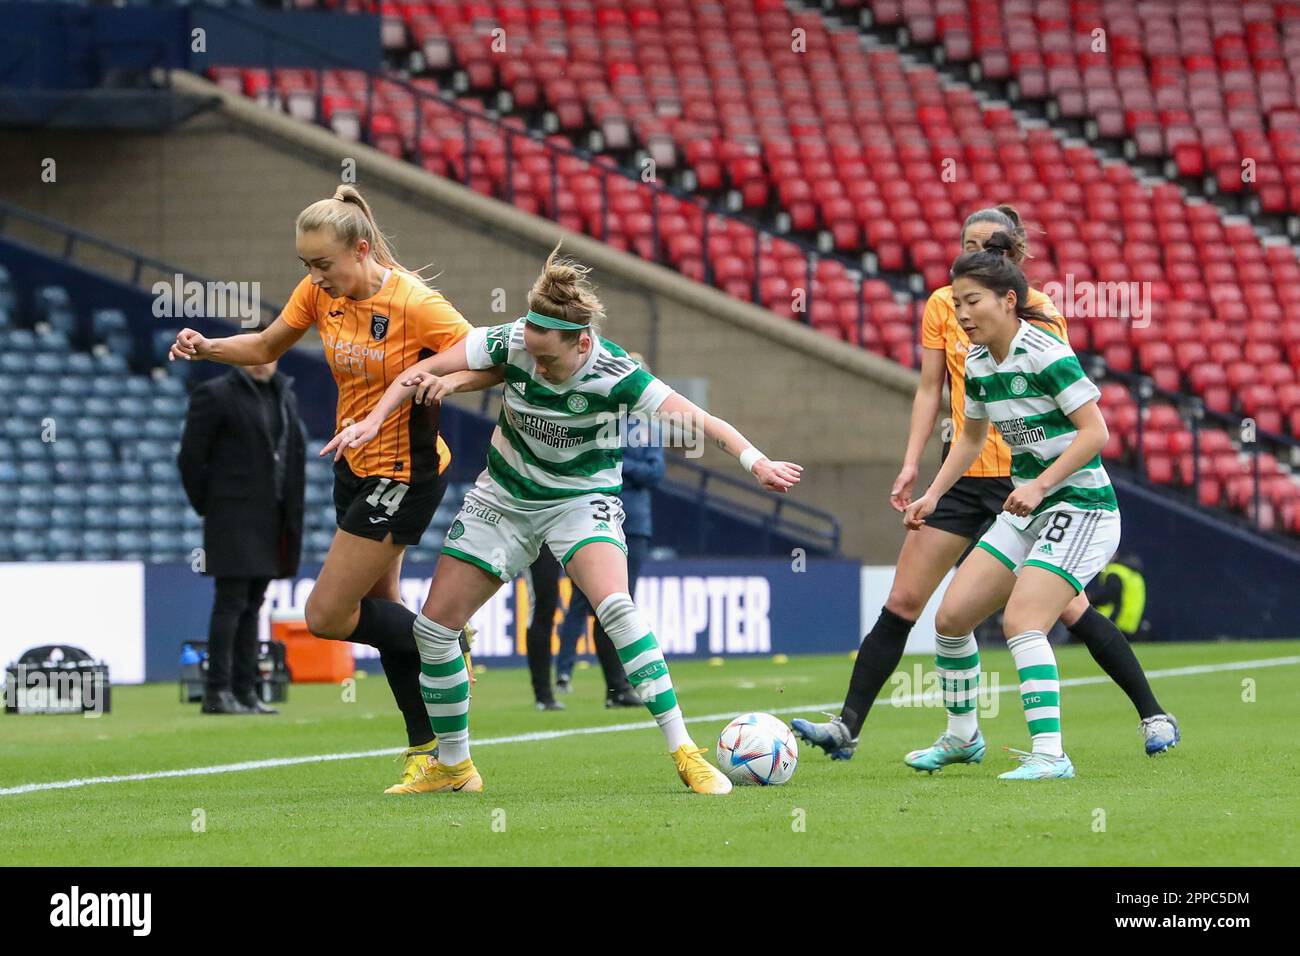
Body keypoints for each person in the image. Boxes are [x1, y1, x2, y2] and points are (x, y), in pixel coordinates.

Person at [324, 242, 803, 795]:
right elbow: (421, 371)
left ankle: (685, 751)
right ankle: (455, 769)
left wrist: (756, 461)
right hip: (503, 499)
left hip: (579, 501)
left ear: (582, 342)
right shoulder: (514, 340)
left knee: (617, 608)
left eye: (549, 358)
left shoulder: (618, 374)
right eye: (531, 352)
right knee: (433, 633)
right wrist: (374, 419)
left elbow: (701, 421)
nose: (538, 364)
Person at [793, 206, 1179, 761]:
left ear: (1010, 273)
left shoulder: (1040, 323)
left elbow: (1089, 428)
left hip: (1042, 487)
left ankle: (1125, 724)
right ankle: (896, 730)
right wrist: (923, 482)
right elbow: (944, 406)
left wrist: (1042, 484)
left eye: (989, 251)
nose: (965, 301)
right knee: (929, 611)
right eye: (968, 249)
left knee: (1052, 613)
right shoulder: (960, 331)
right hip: (979, 483)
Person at [169, 186, 499, 790]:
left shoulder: (417, 304)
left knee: (326, 614)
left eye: (322, 263)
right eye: (305, 265)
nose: (313, 276)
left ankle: (443, 638)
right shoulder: (321, 294)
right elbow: (268, 345)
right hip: (351, 464)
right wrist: (208, 347)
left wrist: (448, 385)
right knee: (383, 616)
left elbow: (494, 360)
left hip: (405, 472)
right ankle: (436, 759)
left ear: (361, 248)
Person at [898, 234, 1144, 778]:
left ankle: (1052, 756)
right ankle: (963, 738)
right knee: (951, 619)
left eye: (972, 301)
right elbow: (968, 439)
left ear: (1008, 300)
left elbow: (1095, 432)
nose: (961, 313)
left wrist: (1038, 484)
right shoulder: (981, 362)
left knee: (1023, 621)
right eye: (956, 302)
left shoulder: (1047, 352)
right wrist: (934, 495)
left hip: (1081, 507)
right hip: (1030, 510)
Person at [178, 357, 305, 715]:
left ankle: (246, 691)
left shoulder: (284, 394)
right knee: (231, 601)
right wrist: (210, 504)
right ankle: (217, 691)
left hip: (273, 516)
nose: (263, 362)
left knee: (254, 602)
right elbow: (190, 457)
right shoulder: (216, 394)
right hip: (231, 515)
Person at [555, 351, 663, 707]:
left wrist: (621, 465)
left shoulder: (647, 426)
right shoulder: (600, 417)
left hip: (636, 525)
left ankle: (616, 687)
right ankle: (570, 670)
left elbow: (655, 473)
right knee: (589, 603)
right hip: (597, 519)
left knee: (619, 602)